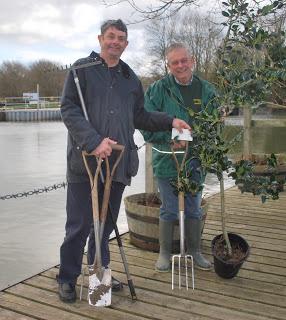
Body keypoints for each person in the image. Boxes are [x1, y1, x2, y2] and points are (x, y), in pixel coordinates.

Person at [58, 20, 191, 303]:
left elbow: (140, 116)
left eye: (121, 38)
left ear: (126, 44)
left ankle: (100, 273)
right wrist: (94, 141)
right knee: (80, 225)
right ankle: (67, 276)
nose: (115, 42)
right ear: (100, 39)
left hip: (118, 164)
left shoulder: (131, 78)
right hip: (85, 164)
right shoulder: (80, 71)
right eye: (110, 37)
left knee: (104, 226)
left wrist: (171, 122)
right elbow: (68, 109)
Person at [141, 43, 218, 272]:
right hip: (167, 159)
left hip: (195, 159)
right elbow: (145, 124)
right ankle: (165, 253)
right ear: (169, 65)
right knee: (169, 208)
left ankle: (195, 251)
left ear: (192, 60)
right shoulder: (157, 90)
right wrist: (173, 136)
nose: (180, 65)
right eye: (175, 62)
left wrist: (198, 137)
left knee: (194, 207)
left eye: (184, 60)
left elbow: (213, 125)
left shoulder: (207, 90)